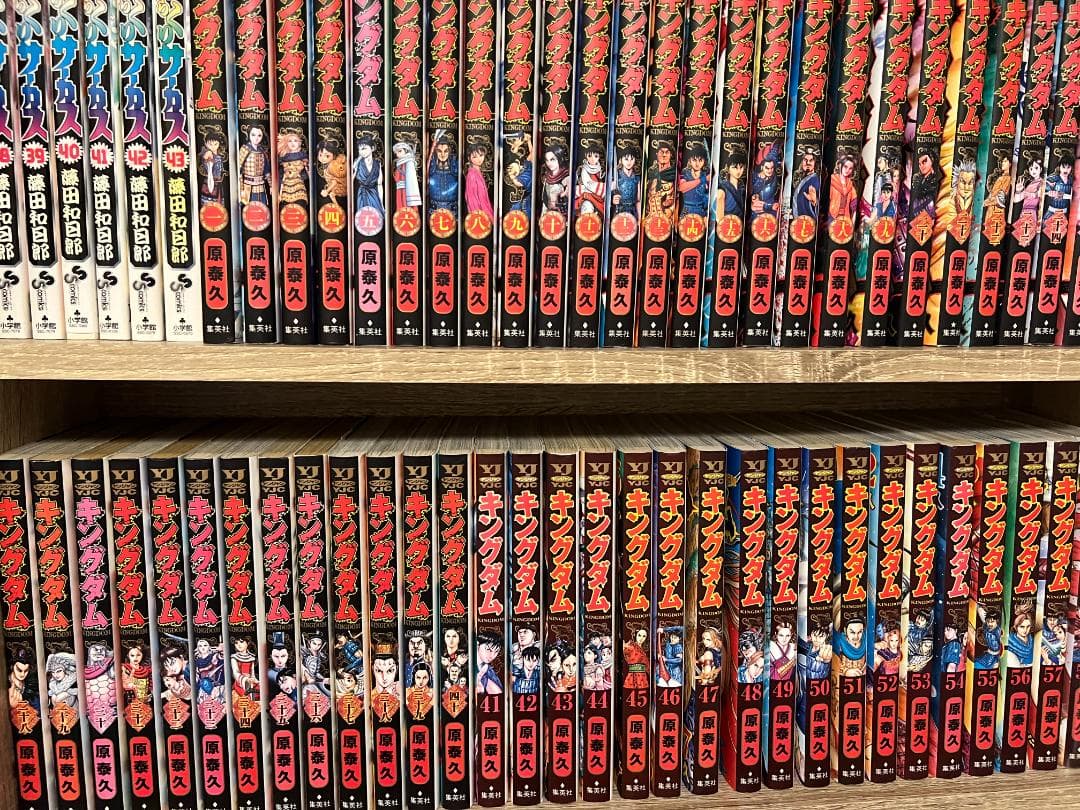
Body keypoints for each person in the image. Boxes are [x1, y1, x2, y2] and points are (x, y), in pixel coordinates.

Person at [238, 125, 271, 207]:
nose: (256, 138)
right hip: (248, 186)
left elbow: (267, 170)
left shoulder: (262, 151)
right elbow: (239, 170)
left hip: (261, 185)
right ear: (249, 135)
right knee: (249, 207)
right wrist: (241, 189)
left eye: (259, 135)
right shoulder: (244, 149)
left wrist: (271, 185)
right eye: (253, 135)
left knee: (262, 207)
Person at [353, 134, 385, 220]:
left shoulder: (377, 164)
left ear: (372, 148)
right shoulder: (357, 164)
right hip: (362, 194)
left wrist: (381, 203)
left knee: (377, 218)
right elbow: (350, 181)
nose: (361, 152)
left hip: (374, 194)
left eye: (364, 148)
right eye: (359, 149)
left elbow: (379, 184)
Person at [749, 143, 780, 224]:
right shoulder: (754, 178)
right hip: (757, 215)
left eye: (772, 168)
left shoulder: (775, 178)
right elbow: (755, 205)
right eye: (767, 168)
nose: (770, 171)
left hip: (772, 214)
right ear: (762, 167)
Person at [428, 136, 459, 214]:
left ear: (449, 152)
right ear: (435, 152)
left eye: (446, 151)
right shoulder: (431, 166)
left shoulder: (455, 166)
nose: (442, 154)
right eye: (439, 151)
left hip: (452, 209)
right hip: (434, 208)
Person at [645, 141, 677, 219]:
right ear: (657, 154)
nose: (664, 155)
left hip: (667, 215)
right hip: (650, 215)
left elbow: (677, 197)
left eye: (667, 152)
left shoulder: (673, 173)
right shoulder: (651, 172)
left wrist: (670, 209)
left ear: (671, 155)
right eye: (661, 152)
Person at [277, 129, 308, 205]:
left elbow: (307, 174)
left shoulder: (303, 156)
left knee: (300, 204)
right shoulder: (283, 158)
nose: (292, 143)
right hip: (286, 186)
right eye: (290, 141)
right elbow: (280, 175)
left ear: (300, 143)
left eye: (295, 141)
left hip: (299, 185)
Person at [678, 143, 710, 217]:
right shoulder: (685, 172)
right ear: (690, 160)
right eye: (694, 160)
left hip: (701, 210)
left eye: (700, 160)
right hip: (687, 209)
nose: (697, 163)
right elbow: (681, 188)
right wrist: (703, 180)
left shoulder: (706, 173)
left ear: (704, 161)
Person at [465, 140, 494, 218]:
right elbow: (472, 200)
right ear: (469, 158)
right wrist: (478, 215)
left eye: (481, 155)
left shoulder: (478, 171)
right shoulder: (472, 175)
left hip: (485, 208)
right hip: (479, 213)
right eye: (474, 157)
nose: (479, 159)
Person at [540, 143, 570, 216]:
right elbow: (545, 200)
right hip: (548, 214)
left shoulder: (566, 176)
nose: (549, 163)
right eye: (547, 160)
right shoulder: (547, 177)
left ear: (560, 158)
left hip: (562, 214)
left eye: (552, 159)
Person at [576, 143, 606, 215]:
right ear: (586, 155)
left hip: (598, 197)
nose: (592, 159)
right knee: (587, 208)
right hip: (586, 195)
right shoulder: (582, 169)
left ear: (599, 157)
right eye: (589, 156)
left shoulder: (602, 170)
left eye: (596, 156)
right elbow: (583, 183)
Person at [611, 145, 641, 217]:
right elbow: (609, 196)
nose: (629, 162)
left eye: (632, 159)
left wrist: (639, 218)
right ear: (621, 160)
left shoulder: (637, 178)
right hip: (619, 212)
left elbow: (638, 200)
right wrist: (612, 200)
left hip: (633, 213)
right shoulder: (616, 177)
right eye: (626, 159)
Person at [316, 139, 348, 205]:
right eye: (320, 155)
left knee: (332, 195)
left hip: (340, 187)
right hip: (337, 187)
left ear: (334, 155)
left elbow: (334, 182)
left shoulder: (332, 166)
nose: (323, 158)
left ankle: (337, 206)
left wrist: (327, 191)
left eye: (327, 156)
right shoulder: (328, 165)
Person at [199, 127, 226, 205]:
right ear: (206, 144)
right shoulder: (208, 156)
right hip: (210, 182)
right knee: (209, 204)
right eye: (210, 144)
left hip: (219, 184)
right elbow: (209, 171)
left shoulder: (219, 156)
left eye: (215, 144)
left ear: (219, 144)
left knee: (219, 205)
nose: (213, 146)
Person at [393, 140, 422, 210]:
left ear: (406, 151)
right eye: (396, 153)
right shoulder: (400, 163)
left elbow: (411, 179)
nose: (398, 154)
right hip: (400, 189)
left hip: (407, 190)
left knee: (407, 207)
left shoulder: (409, 162)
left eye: (400, 151)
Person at [793, 147, 820, 219]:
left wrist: (815, 201)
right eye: (805, 160)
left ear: (815, 163)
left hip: (808, 220)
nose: (808, 163)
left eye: (811, 160)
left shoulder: (815, 179)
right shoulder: (802, 178)